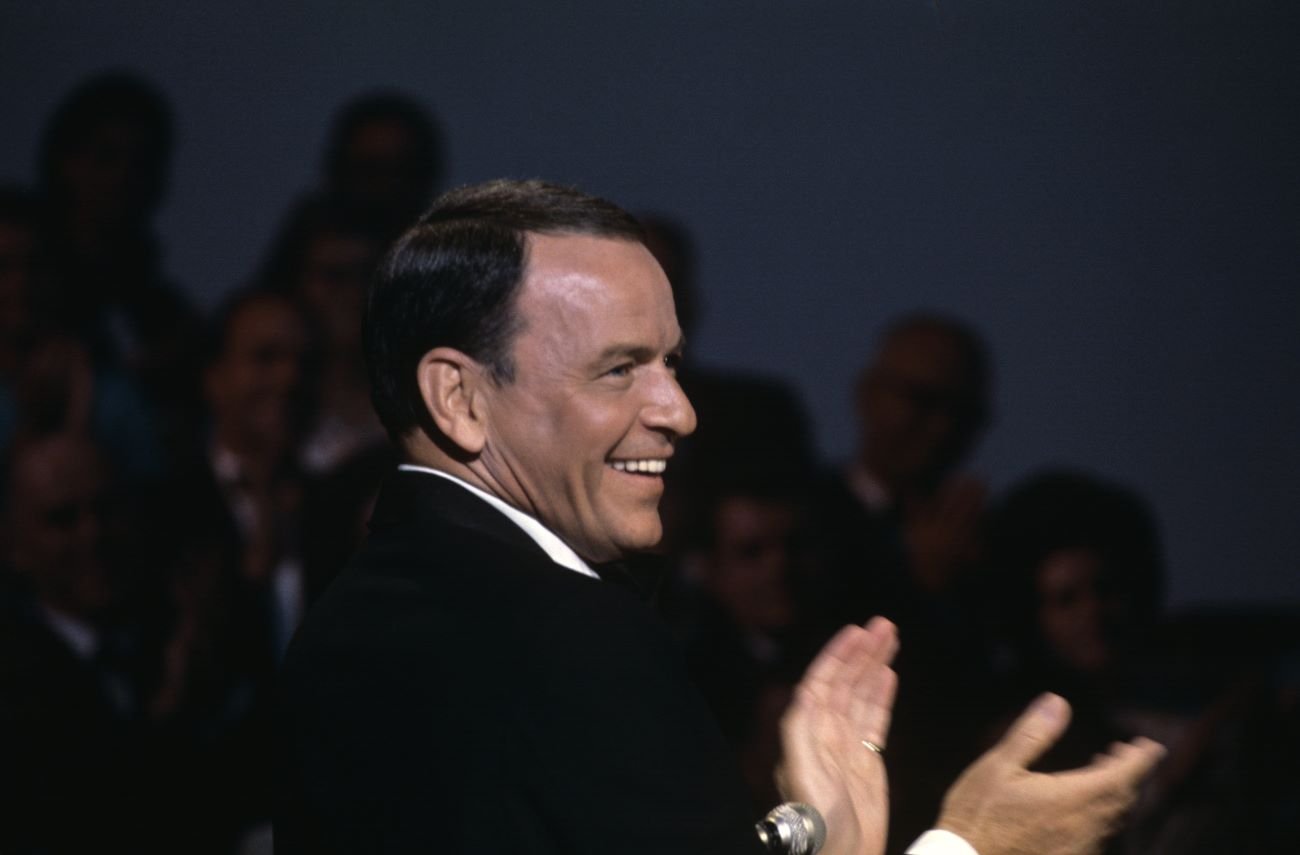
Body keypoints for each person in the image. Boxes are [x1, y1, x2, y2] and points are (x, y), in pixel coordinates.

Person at [275, 179, 1163, 855]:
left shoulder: (367, 611)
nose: (679, 410)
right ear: (459, 396)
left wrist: (808, 826)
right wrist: (971, 842)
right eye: (620, 367)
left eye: (670, 362)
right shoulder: (560, 632)